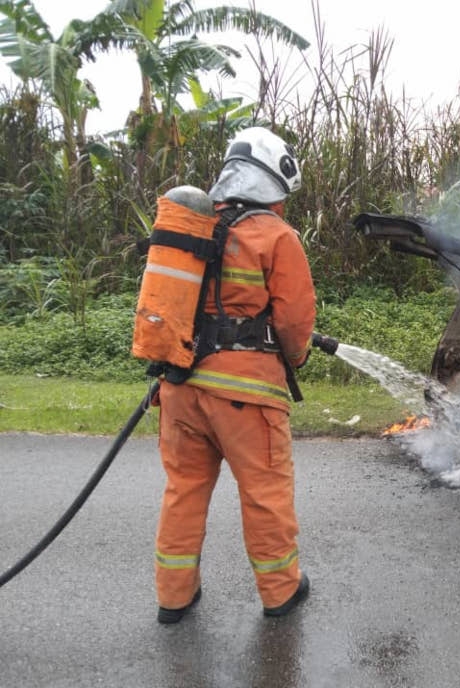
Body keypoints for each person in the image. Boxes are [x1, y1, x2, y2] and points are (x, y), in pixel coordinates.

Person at [153, 127, 317, 623]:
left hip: (179, 387)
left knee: (183, 490)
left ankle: (173, 597)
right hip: (246, 395)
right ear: (274, 182)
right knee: (264, 495)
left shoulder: (190, 230)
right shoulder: (276, 236)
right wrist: (298, 357)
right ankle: (280, 592)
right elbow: (293, 322)